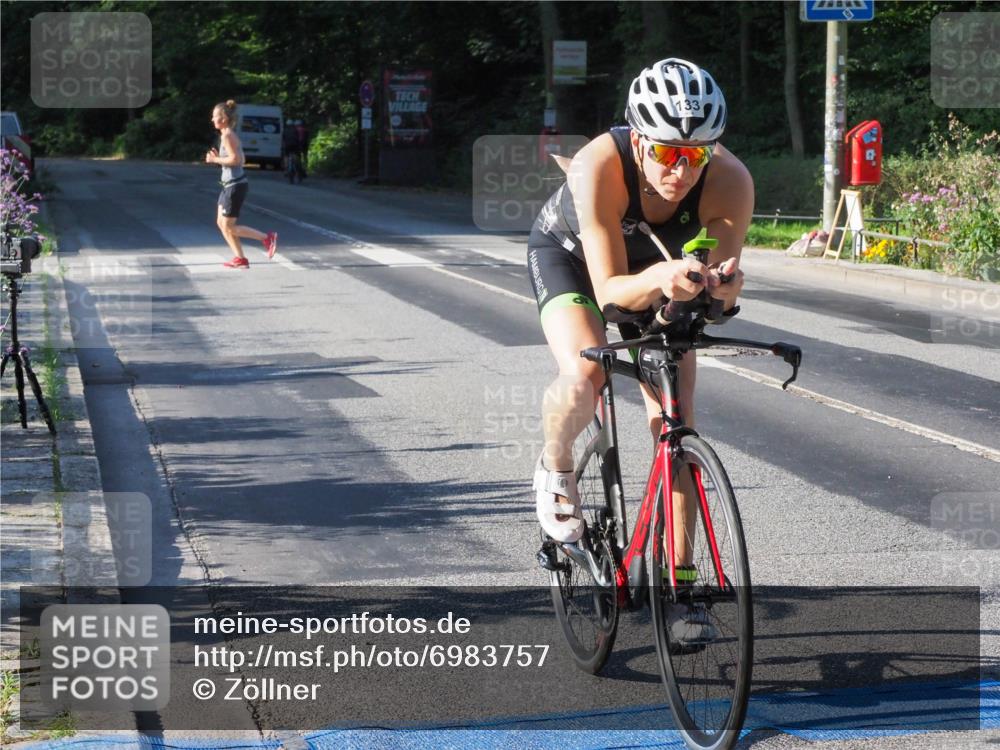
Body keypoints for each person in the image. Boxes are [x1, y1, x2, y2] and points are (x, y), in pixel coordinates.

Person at [527, 59, 752, 638]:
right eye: (667, 153)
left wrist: (722, 292)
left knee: (675, 422)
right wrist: (662, 279)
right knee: (585, 375)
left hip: (662, 272)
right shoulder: (599, 163)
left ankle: (682, 585)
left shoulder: (730, 179)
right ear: (637, 139)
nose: (681, 170)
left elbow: (716, 294)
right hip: (575, 263)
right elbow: (609, 293)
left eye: (696, 155)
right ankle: (554, 466)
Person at [206, 100, 278, 268]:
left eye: (214, 116)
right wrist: (220, 159)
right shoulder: (228, 134)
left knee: (229, 226)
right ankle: (240, 258)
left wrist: (215, 159)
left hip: (235, 185)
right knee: (220, 223)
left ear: (223, 118)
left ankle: (267, 238)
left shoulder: (227, 135)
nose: (212, 119)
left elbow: (236, 160)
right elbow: (242, 159)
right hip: (230, 185)